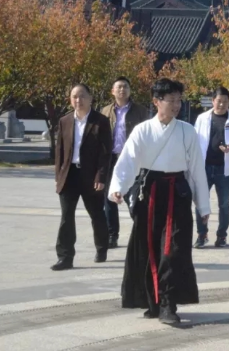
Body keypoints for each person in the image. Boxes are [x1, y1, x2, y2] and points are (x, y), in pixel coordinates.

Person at [108, 79, 211, 324]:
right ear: (157, 102)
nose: (176, 105)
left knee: (173, 250)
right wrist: (118, 187)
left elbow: (197, 169)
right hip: (151, 192)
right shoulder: (143, 130)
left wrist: (203, 205)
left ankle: (168, 304)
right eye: (171, 100)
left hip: (178, 192)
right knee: (150, 249)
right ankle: (153, 301)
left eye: (179, 100)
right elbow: (128, 161)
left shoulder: (187, 131)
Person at [52, 84, 113, 271]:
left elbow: (105, 153)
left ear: (90, 98)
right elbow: (59, 151)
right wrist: (58, 176)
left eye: (82, 96)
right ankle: (65, 257)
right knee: (66, 216)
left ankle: (101, 248)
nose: (78, 100)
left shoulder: (100, 121)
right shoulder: (64, 121)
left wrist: (101, 177)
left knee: (96, 214)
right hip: (69, 175)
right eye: (74, 97)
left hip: (91, 176)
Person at [193, 86, 229, 248]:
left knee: (224, 204)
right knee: (201, 202)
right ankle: (202, 234)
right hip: (204, 167)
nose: (222, 104)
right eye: (219, 101)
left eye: (225, 101)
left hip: (224, 169)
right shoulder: (202, 118)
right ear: (213, 101)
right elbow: (194, 139)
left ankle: (222, 236)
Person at [101, 76, 149, 249]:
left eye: (125, 87)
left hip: (131, 159)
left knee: (132, 197)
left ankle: (141, 233)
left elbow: (146, 136)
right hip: (110, 159)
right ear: (113, 91)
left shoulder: (140, 111)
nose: (122, 90)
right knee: (110, 199)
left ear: (130, 90)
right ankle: (112, 235)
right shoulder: (105, 111)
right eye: (119, 87)